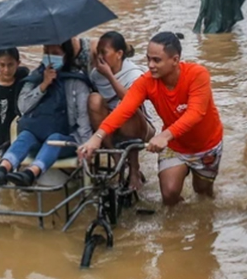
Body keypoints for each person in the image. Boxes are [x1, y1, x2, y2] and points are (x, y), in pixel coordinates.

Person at [78, 32, 224, 205]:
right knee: (169, 195)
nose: (150, 65)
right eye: (148, 59)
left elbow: (195, 113)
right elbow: (124, 109)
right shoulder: (147, 81)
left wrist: (164, 136)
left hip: (205, 145)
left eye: (156, 60)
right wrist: (97, 137)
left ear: (175, 60)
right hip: (176, 145)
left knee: (203, 195)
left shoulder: (197, 74)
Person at [0, 41, 94, 187]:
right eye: (46, 52)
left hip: (66, 138)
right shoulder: (36, 76)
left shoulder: (76, 81)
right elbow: (22, 106)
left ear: (66, 55)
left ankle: (31, 173)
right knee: (25, 135)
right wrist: (43, 85)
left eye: (55, 53)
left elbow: (83, 120)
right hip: (37, 133)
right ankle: (3, 168)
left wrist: (85, 147)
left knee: (53, 140)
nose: (50, 57)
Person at [88, 31, 156, 192]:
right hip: (109, 128)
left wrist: (110, 76)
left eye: (104, 53)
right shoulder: (96, 75)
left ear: (119, 54)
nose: (100, 57)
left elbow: (130, 101)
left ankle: (133, 170)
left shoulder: (134, 74)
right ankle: (118, 161)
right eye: (99, 53)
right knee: (94, 99)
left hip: (137, 126)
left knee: (125, 108)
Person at [0, 48, 31, 154]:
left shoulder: (22, 76)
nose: (6, 70)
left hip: (18, 129)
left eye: (10, 65)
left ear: (18, 63)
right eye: (2, 65)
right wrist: (0, 148)